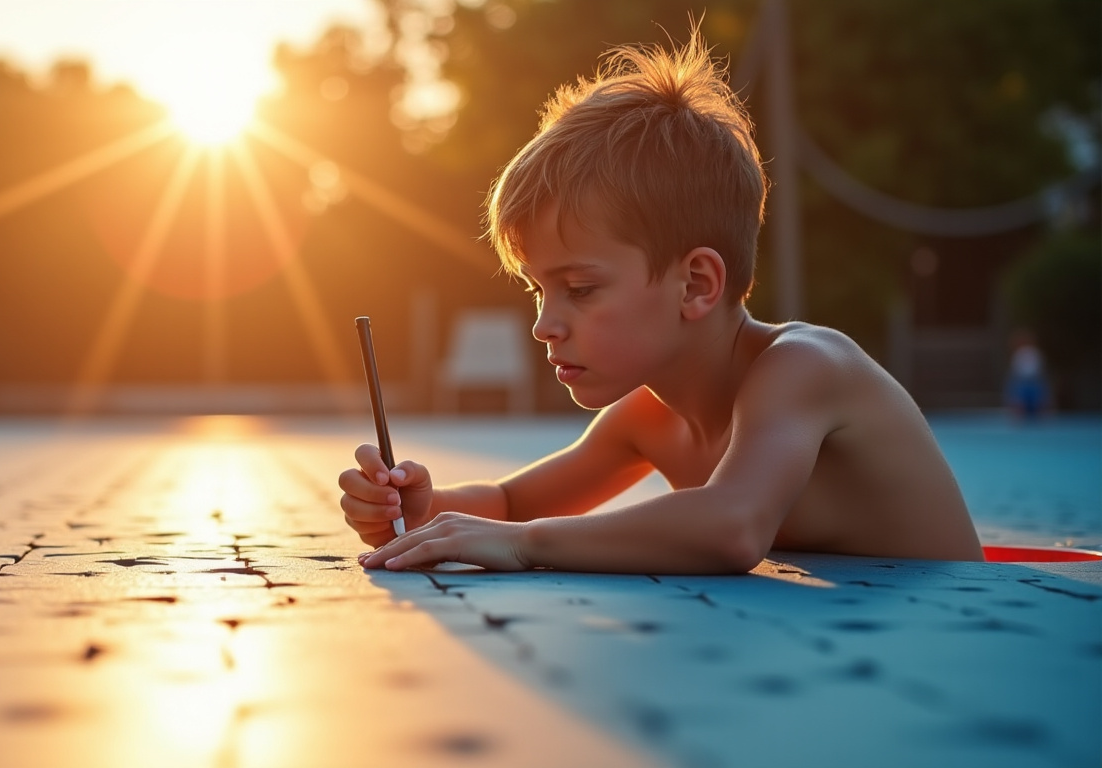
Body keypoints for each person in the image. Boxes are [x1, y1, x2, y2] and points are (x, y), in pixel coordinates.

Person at [338, 36, 984, 574]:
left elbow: (733, 526)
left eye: (581, 289)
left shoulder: (806, 368)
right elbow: (512, 502)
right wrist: (424, 509)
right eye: (539, 290)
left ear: (697, 285)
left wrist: (524, 545)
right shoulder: (649, 416)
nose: (544, 324)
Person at [1005, 328, 1048, 421]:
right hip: (1022, 383)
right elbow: (1014, 372)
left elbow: (1040, 371)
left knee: (1038, 402)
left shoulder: (1035, 353)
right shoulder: (1018, 354)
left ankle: (1040, 416)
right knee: (1019, 402)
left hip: (1034, 382)